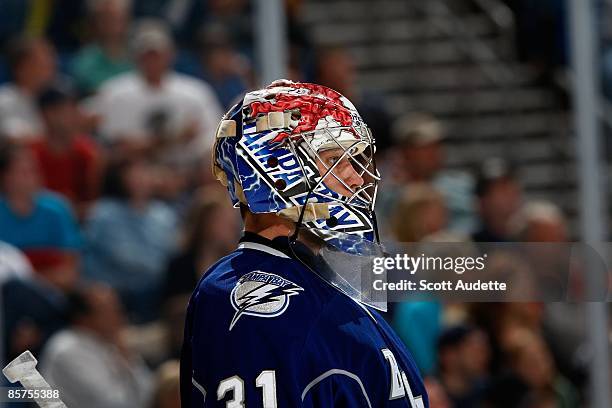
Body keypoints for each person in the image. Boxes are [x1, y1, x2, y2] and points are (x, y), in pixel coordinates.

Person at [181, 80, 428, 407]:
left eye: (353, 161)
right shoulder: (252, 299)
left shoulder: (330, 280)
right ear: (276, 172)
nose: (357, 178)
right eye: (335, 161)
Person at [90, 19, 223, 166]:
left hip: (187, 168)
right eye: (147, 55)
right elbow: (108, 140)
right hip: (133, 169)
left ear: (170, 55)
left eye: (157, 55)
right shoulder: (114, 92)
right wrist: (174, 138)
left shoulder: (195, 92)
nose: (152, 61)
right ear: (135, 57)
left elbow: (214, 136)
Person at [84, 157, 177, 322]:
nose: (141, 179)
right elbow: (123, 256)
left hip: (156, 291)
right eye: (134, 175)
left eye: (145, 173)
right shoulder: (104, 212)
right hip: (116, 291)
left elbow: (172, 251)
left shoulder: (163, 214)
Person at [41, 284, 153, 408]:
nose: (119, 315)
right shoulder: (67, 350)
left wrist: (129, 359)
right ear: (83, 318)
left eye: (118, 308)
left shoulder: (112, 342)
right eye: (109, 310)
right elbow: (108, 404)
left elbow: (149, 393)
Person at [0, 141, 81, 278]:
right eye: (23, 172)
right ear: (4, 177)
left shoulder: (57, 208)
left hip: (55, 292)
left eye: (35, 170)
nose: (33, 177)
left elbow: (70, 266)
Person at [30, 81, 102, 219]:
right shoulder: (30, 154)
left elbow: (97, 205)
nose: (74, 115)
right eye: (66, 109)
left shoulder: (88, 152)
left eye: (75, 108)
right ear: (46, 114)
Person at [70, 0, 133, 95]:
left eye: (115, 19)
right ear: (96, 23)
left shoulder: (138, 56)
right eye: (105, 19)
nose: (111, 25)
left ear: (126, 21)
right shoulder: (84, 60)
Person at [0, 36, 56, 140]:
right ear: (21, 68)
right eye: (43, 60)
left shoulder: (60, 93)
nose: (51, 64)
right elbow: (12, 137)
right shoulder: (5, 100)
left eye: (51, 57)